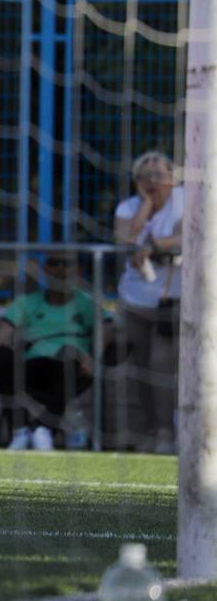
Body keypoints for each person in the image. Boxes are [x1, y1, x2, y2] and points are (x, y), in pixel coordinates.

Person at [0, 254, 95, 451]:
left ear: (78, 270)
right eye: (54, 263)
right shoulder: (28, 302)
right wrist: (0, 341)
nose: (60, 269)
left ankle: (44, 429)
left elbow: (107, 330)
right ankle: (21, 431)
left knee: (68, 355)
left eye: (66, 263)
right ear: (45, 270)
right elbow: (1, 333)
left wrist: (94, 356)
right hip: (35, 366)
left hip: (73, 367)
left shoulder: (87, 303)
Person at [113, 150, 182, 452]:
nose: (153, 180)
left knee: (160, 364)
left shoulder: (186, 200)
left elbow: (189, 237)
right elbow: (125, 241)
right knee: (141, 368)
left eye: (159, 174)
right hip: (135, 300)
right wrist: (147, 205)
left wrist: (154, 246)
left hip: (172, 300)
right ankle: (155, 429)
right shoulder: (128, 206)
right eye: (145, 175)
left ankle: (167, 432)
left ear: (173, 176)